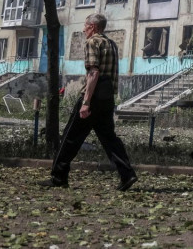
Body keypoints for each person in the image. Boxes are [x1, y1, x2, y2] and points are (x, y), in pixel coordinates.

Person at [40, 14, 137, 190]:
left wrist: (86, 102)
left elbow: (93, 73)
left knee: (70, 137)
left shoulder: (92, 42)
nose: (84, 29)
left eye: (85, 26)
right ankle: (127, 174)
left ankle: (58, 178)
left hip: (92, 98)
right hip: (107, 98)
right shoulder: (112, 44)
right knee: (109, 139)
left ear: (92, 26)